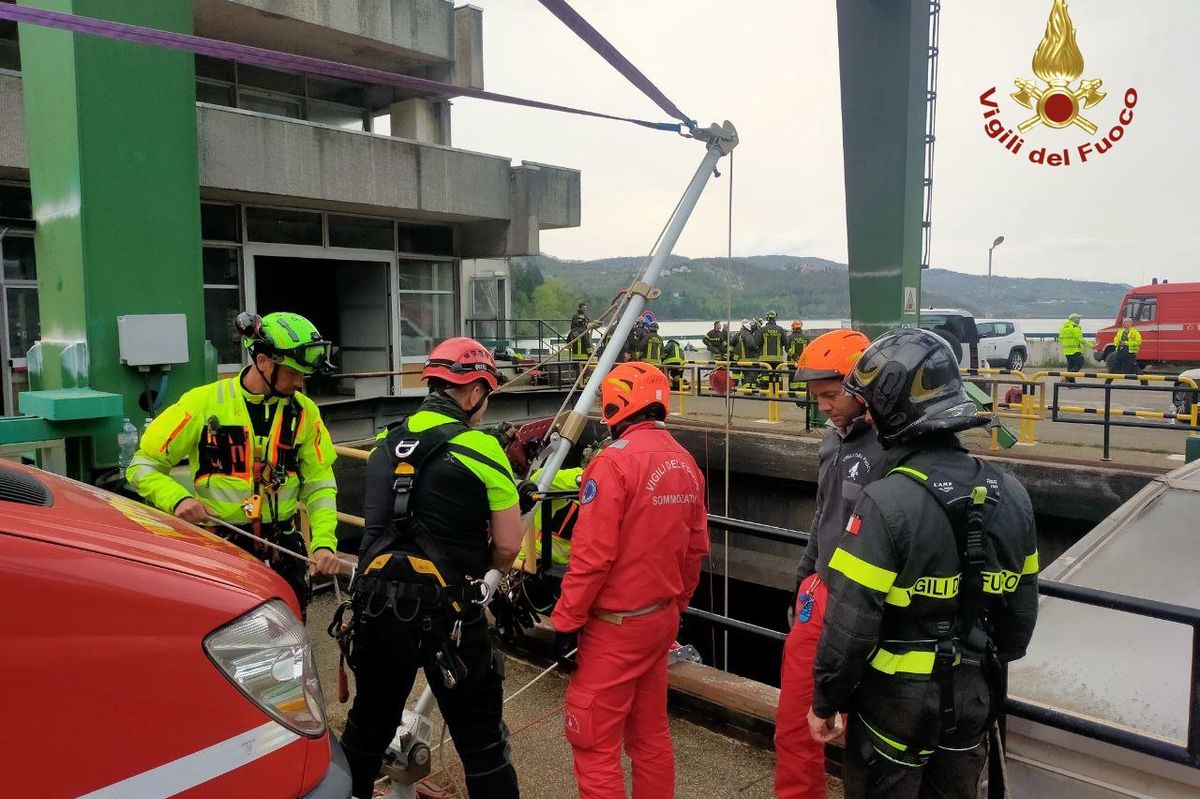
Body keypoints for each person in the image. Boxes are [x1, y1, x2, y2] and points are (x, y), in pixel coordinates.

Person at [808, 327, 1039, 799]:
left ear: (894, 411)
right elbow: (1019, 621)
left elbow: (850, 627)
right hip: (974, 699)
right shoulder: (1012, 494)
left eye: (872, 405)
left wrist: (825, 699)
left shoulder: (885, 502)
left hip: (896, 706)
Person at [342, 337, 524, 799]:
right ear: (474, 391)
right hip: (451, 617)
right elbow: (507, 547)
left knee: (366, 727)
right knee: (481, 744)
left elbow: (378, 525)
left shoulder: (385, 441)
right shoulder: (482, 449)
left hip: (376, 607)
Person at [551, 361, 709, 799]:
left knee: (593, 741)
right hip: (658, 622)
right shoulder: (686, 463)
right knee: (650, 736)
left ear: (616, 405)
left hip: (614, 627)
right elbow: (694, 551)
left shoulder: (612, 465)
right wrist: (674, 611)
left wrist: (565, 623)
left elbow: (591, 559)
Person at [127, 311, 342, 617]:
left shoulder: (305, 413)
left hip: (284, 553)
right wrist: (178, 499)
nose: (300, 382)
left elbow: (320, 484)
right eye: (294, 372)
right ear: (264, 361)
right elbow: (142, 466)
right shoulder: (202, 404)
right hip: (221, 550)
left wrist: (323, 544)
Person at [775, 329, 880, 799]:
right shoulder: (831, 441)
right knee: (796, 725)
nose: (824, 407)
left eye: (832, 396)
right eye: (817, 398)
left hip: (866, 604)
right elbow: (822, 514)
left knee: (868, 739)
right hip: (819, 595)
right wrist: (804, 577)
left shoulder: (890, 448)